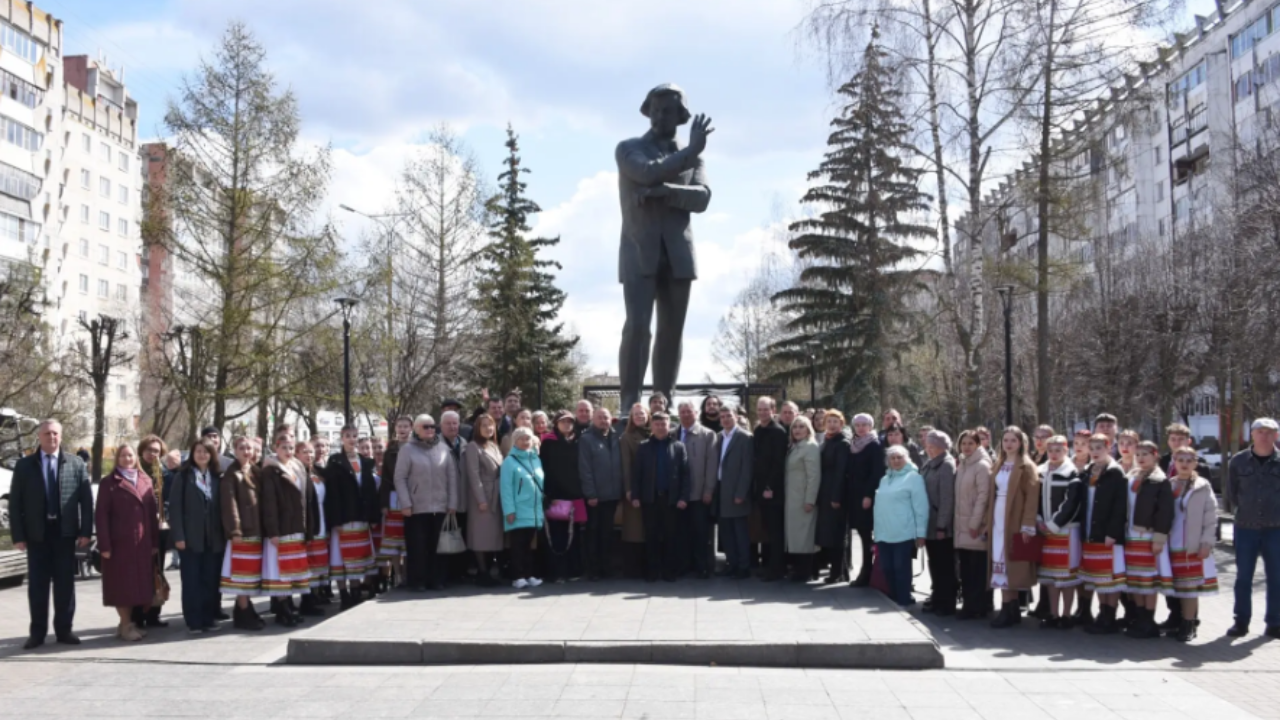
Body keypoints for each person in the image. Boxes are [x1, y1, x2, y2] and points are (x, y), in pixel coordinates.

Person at [11, 420, 93, 649]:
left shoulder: (75, 464)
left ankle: (64, 630)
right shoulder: (25, 466)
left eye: (55, 433)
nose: (52, 437)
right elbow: (15, 504)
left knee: (65, 585)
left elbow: (86, 501)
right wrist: (18, 535)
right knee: (37, 586)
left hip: (65, 534)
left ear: (61, 436)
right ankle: (37, 633)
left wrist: (86, 531)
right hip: (37, 535)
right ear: (39, 436)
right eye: (47, 433)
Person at [94, 443, 160, 642]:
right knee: (121, 587)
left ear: (136, 457)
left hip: (141, 544)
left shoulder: (145, 480)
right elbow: (101, 516)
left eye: (130, 455)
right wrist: (104, 545)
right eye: (123, 455)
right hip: (119, 544)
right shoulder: (109, 483)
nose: (127, 459)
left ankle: (126, 624)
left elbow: (152, 515)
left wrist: (154, 542)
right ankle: (126, 624)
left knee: (136, 586)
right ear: (117, 459)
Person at [1224, 418, 1280, 639]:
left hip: (1276, 528)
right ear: (1252, 435)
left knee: (1276, 577)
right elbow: (1231, 492)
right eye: (1260, 432)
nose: (1264, 436)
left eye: (1269, 432)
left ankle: (1274, 622)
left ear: (1276, 435)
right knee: (1243, 577)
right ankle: (1241, 621)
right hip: (1245, 527)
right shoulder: (1238, 461)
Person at [394, 414, 459, 592]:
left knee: (438, 546)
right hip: (416, 507)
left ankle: (437, 580)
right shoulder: (407, 449)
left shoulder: (444, 449)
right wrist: (405, 503)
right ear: (416, 429)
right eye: (425, 426)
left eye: (432, 426)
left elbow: (451, 477)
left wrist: (452, 502)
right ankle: (418, 581)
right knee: (417, 546)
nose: (430, 429)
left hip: (440, 506)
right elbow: (400, 478)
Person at [1156, 423, 1211, 632]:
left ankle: (1189, 620)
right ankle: (1174, 616)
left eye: (1181, 439)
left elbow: (1209, 510)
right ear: (1168, 442)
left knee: (1189, 581)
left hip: (1191, 536)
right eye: (1173, 439)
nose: (1176, 443)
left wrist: (1208, 539)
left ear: (1188, 441)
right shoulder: (1161, 463)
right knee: (1170, 578)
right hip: (1169, 534)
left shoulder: (1201, 470)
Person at [986, 427, 1042, 628]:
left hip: (1014, 518)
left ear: (1021, 443)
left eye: (1013, 440)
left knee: (1011, 562)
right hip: (998, 517)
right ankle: (1008, 607)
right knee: (998, 561)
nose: (1008, 444)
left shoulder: (1026, 466)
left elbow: (1031, 499)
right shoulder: (999, 463)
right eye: (1005, 440)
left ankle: (1012, 608)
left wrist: (1027, 525)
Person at [170, 439, 226, 633]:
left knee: (210, 580)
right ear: (192, 454)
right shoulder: (183, 477)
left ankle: (208, 618)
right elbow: (175, 509)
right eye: (198, 451)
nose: (202, 455)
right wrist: (179, 536)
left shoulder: (217, 477)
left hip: (214, 538)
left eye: (206, 451)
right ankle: (194, 620)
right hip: (190, 538)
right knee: (192, 581)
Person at [260, 434, 315, 626]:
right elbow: (269, 504)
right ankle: (281, 609)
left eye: (291, 448)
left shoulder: (298, 467)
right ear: (276, 448)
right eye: (284, 448)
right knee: (279, 571)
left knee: (291, 570)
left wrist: (307, 529)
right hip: (281, 529)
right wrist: (273, 531)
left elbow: (305, 501)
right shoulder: (270, 471)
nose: (288, 452)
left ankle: (289, 606)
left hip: (296, 527)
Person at [323, 425, 380, 608]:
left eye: (355, 436)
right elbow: (332, 493)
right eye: (348, 436)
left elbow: (370, 492)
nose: (352, 439)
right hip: (344, 517)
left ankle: (355, 591)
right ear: (342, 438)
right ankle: (344, 593)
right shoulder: (335, 461)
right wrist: (336, 520)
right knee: (341, 557)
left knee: (358, 558)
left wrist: (373, 517)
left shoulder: (365, 462)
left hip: (361, 516)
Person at [1122, 440, 1175, 639]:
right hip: (1130, 535)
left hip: (1148, 535)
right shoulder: (1130, 477)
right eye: (1138, 455)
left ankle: (1148, 620)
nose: (1141, 458)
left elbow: (1165, 512)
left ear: (1155, 457)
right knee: (1134, 579)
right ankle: (1139, 617)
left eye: (1146, 454)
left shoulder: (1160, 480)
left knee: (1148, 580)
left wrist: (1159, 538)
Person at [1166, 446, 1219, 642]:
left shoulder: (1202, 486)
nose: (1185, 464)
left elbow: (1211, 516)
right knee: (1176, 587)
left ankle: (1189, 624)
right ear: (1174, 462)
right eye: (1181, 460)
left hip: (1192, 544)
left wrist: (1207, 542)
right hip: (1171, 543)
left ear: (1195, 463)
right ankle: (1178, 621)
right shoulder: (1169, 484)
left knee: (1189, 587)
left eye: (1189, 460)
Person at [1079, 434, 1129, 635]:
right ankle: (1102, 613)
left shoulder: (1115, 472)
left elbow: (1120, 506)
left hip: (1108, 533)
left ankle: (1110, 615)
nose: (1095, 451)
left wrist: (1113, 532)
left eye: (1099, 447)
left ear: (1108, 448)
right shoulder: (1088, 470)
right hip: (1091, 531)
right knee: (1097, 577)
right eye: (1092, 448)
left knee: (1111, 577)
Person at [631, 411, 689, 582]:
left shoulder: (678, 446)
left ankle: (669, 571)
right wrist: (635, 495)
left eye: (663, 423)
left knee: (671, 536)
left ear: (669, 425)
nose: (660, 427)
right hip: (650, 499)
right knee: (651, 536)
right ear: (652, 426)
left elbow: (685, 474)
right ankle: (652, 572)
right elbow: (637, 474)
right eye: (657, 424)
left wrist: (683, 497)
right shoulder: (643, 446)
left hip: (672, 500)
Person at [1036, 435, 1083, 629]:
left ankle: (1066, 615)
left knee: (1066, 578)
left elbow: (1071, 503)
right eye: (1050, 450)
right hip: (1045, 530)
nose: (1054, 454)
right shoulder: (1040, 471)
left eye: (1058, 450)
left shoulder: (1071, 473)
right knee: (1050, 578)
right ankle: (1053, 614)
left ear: (1066, 451)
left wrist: (1054, 524)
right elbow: (1036, 498)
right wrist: (1039, 520)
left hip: (1066, 531)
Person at [220, 436, 267, 630]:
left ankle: (245, 609)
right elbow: (229, 505)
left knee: (251, 573)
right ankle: (243, 609)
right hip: (243, 532)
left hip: (256, 530)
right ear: (235, 451)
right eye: (242, 448)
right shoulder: (231, 474)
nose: (246, 452)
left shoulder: (256, 472)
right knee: (241, 574)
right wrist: (235, 530)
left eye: (249, 448)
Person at [874, 445, 929, 606]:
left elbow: (921, 507)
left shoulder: (914, 478)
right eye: (893, 458)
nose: (896, 461)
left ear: (907, 459)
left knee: (901, 568)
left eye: (900, 457)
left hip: (904, 532)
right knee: (887, 568)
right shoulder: (884, 480)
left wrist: (921, 534)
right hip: (884, 532)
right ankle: (893, 597)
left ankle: (904, 599)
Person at [541, 411, 586, 582]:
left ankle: (573, 570)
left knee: (574, 536)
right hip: (556, 495)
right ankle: (556, 572)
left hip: (575, 495)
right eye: (563, 421)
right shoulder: (549, 442)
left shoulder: (578, 441)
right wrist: (548, 492)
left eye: (570, 421)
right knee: (556, 535)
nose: (567, 424)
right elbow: (544, 468)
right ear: (556, 423)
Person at [580, 407, 623, 581]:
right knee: (593, 532)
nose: (603, 420)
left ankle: (606, 567)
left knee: (607, 533)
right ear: (593, 420)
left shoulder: (616, 437)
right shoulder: (586, 439)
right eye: (599, 418)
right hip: (595, 497)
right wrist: (590, 494)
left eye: (606, 417)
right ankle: (593, 569)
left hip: (612, 496)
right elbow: (585, 469)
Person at [131, 435, 170, 630]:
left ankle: (154, 614)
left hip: (159, 528)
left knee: (158, 571)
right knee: (140, 573)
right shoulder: (135, 471)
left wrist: (164, 512)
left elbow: (169, 496)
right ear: (141, 451)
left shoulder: (164, 472)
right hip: (139, 529)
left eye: (156, 451)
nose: (152, 454)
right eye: (149, 450)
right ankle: (138, 616)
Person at [677, 400, 718, 579]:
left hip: (699, 494)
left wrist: (708, 490)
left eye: (689, 411)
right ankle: (685, 565)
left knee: (701, 533)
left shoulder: (708, 435)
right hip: (679, 495)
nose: (686, 415)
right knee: (682, 533)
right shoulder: (673, 434)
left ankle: (702, 567)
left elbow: (712, 465)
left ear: (695, 413)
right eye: (682, 412)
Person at [954, 430, 993, 619]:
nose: (967, 447)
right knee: (967, 568)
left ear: (978, 444)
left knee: (977, 569)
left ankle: (977, 606)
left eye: (971, 443)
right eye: (964, 443)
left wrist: (976, 522)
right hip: (962, 524)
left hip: (974, 525)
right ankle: (971, 604)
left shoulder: (981, 465)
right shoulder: (963, 464)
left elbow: (983, 497)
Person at [501, 427, 545, 589]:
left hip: (534, 510)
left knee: (529, 545)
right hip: (518, 510)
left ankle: (529, 574)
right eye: (521, 439)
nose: (525, 442)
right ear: (515, 441)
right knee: (518, 545)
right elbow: (505, 488)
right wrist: (509, 510)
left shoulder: (536, 459)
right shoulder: (509, 461)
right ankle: (517, 576)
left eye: (528, 439)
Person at [465, 414, 507, 585]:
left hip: (496, 495)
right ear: (477, 428)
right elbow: (473, 475)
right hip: (482, 496)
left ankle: (489, 571)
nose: (488, 428)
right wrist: (481, 499)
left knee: (493, 536)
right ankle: (482, 573)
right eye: (484, 425)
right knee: (481, 536)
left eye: (490, 425)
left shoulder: (494, 446)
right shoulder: (473, 447)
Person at [920, 430, 958, 616]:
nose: (929, 449)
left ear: (942, 447)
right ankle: (937, 597)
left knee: (944, 565)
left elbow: (947, 498)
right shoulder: (929, 463)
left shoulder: (945, 465)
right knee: (934, 562)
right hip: (929, 523)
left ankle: (947, 601)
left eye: (933, 446)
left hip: (940, 525)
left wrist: (942, 525)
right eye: (927, 445)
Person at [753, 397, 789, 582]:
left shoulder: (778, 432)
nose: (762, 413)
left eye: (765, 409)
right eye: (759, 409)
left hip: (773, 490)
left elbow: (778, 463)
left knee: (775, 531)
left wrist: (769, 486)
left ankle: (777, 569)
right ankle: (768, 566)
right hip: (760, 488)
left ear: (773, 410)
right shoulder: (758, 430)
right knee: (766, 529)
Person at [847, 413, 886, 587]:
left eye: (864, 424)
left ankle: (867, 572)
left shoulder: (874, 445)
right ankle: (865, 571)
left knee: (866, 534)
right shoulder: (853, 445)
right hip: (854, 495)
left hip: (866, 496)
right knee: (862, 535)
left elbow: (876, 473)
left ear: (870, 426)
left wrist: (868, 494)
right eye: (858, 425)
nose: (861, 428)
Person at [715, 404, 754, 579]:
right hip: (721, 491)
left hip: (737, 492)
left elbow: (748, 468)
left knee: (740, 532)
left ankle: (744, 566)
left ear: (736, 417)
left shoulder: (745, 437)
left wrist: (741, 493)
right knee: (726, 532)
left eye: (728, 416)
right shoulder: (718, 437)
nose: (725, 419)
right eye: (722, 417)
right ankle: (732, 563)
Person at [784, 416, 821, 582]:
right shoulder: (795, 446)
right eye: (795, 427)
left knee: (804, 536)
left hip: (803, 499)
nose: (797, 430)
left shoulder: (811, 446)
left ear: (808, 429)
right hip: (792, 498)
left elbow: (814, 476)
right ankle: (798, 569)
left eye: (801, 427)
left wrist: (810, 500)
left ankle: (805, 572)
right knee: (796, 536)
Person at [378, 416, 413, 588]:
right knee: (394, 539)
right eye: (400, 426)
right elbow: (385, 478)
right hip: (393, 496)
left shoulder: (417, 446)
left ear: (411, 428)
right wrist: (384, 503)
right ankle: (397, 574)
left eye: (406, 426)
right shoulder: (390, 450)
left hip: (412, 496)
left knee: (408, 538)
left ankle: (408, 573)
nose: (402, 429)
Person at [816, 411, 851, 583]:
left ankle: (838, 572)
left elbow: (841, 471)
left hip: (835, 494)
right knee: (829, 534)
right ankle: (838, 571)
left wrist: (836, 497)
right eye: (829, 421)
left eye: (835, 421)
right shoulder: (827, 441)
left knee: (837, 535)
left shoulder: (842, 443)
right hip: (825, 492)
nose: (832, 424)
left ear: (841, 423)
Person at [297, 441, 331, 605]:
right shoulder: (297, 472)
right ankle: (307, 599)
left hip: (321, 518)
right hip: (308, 521)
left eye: (310, 452)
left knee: (319, 562)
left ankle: (317, 593)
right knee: (309, 562)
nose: (309, 455)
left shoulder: (317, 472)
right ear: (297, 454)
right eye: (304, 452)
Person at [620, 403, 651, 578]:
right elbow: (626, 466)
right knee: (635, 531)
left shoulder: (656, 433)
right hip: (635, 489)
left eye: (642, 413)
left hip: (653, 489)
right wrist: (629, 489)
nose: (639, 417)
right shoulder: (627, 437)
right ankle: (634, 569)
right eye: (636, 414)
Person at [439, 411, 469, 583]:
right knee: (444, 538)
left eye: (454, 423)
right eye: (448, 423)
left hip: (463, 500)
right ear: (441, 426)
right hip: (444, 501)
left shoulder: (465, 444)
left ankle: (460, 573)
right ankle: (446, 575)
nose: (452, 426)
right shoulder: (435, 445)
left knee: (461, 536)